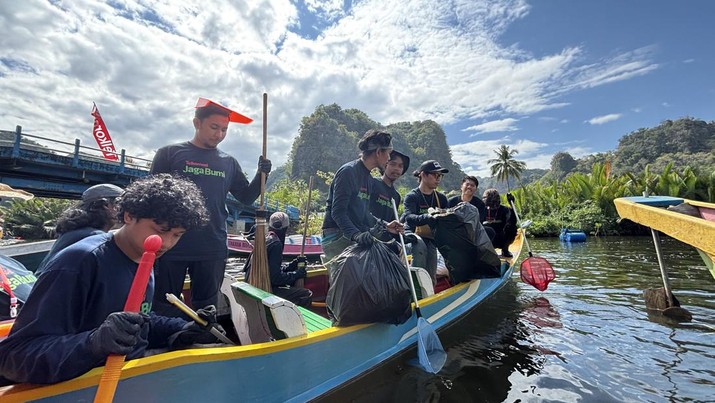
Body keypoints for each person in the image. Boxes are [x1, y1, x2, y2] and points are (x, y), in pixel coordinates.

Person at [0, 174, 225, 385]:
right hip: (84, 387)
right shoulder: (80, 262)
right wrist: (93, 343)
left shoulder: (144, 256)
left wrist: (183, 328)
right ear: (128, 215)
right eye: (160, 230)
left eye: (177, 235)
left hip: (129, 380)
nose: (166, 243)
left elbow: (135, 320)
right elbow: (15, 356)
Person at [150, 97, 272, 318]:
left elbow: (245, 197)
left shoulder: (228, 162)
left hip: (212, 245)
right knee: (164, 302)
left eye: (224, 130)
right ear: (197, 123)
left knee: (206, 307)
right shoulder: (169, 154)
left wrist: (261, 174)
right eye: (214, 127)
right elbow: (151, 197)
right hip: (171, 245)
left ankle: (201, 344)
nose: (219, 135)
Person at [321, 129, 403, 262]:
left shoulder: (369, 179)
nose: (388, 159)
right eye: (388, 154)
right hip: (336, 235)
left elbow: (365, 213)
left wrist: (385, 225)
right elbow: (338, 212)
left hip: (351, 234)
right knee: (347, 281)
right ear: (378, 152)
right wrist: (356, 235)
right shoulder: (348, 172)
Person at [35, 183, 124, 276]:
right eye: (120, 205)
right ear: (106, 205)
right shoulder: (95, 238)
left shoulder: (76, 232)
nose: (126, 212)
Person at [244, 212, 312, 307]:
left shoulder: (264, 240)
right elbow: (276, 279)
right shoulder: (276, 244)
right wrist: (297, 274)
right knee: (306, 294)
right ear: (285, 229)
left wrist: (291, 265)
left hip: (253, 287)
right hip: (263, 290)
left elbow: (270, 271)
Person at [401, 160, 450, 284]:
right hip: (411, 236)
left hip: (431, 239)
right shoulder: (412, 196)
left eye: (440, 175)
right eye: (435, 175)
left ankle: (429, 295)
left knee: (431, 274)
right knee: (419, 248)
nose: (438, 179)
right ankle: (414, 289)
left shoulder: (441, 198)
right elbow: (409, 218)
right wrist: (429, 217)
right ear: (423, 175)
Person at [448, 176, 495, 241]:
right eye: (467, 184)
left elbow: (479, 221)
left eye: (472, 185)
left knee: (490, 231)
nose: (469, 187)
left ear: (475, 189)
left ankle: (478, 250)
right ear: (461, 187)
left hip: (473, 231)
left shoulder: (480, 204)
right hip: (454, 231)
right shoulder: (451, 202)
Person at [369, 149, 410, 222]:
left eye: (400, 166)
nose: (396, 169)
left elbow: (392, 221)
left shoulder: (396, 196)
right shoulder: (372, 183)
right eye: (393, 164)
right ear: (385, 165)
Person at [482, 188, 518, 257]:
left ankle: (505, 250)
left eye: (485, 197)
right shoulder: (482, 209)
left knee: (512, 228)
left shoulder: (504, 209)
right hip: (486, 240)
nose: (483, 199)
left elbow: (513, 222)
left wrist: (512, 205)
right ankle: (483, 252)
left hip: (501, 239)